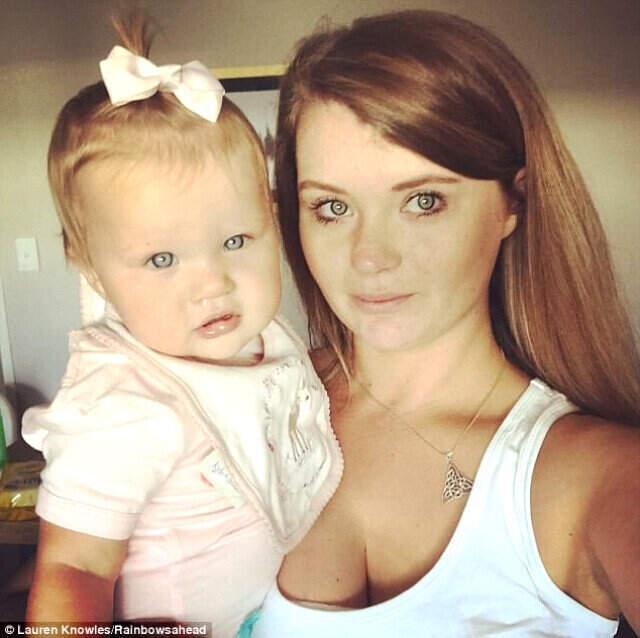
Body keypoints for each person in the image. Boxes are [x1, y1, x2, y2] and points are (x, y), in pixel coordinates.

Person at [243, 9, 640, 638]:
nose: (370, 257)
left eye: (423, 201)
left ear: (513, 201)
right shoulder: (246, 402)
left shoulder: (601, 476)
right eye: (332, 207)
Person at [21, 15, 341, 634]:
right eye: (162, 260)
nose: (213, 283)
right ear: (90, 268)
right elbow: (73, 568)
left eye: (236, 240)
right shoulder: (122, 400)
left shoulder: (265, 341)